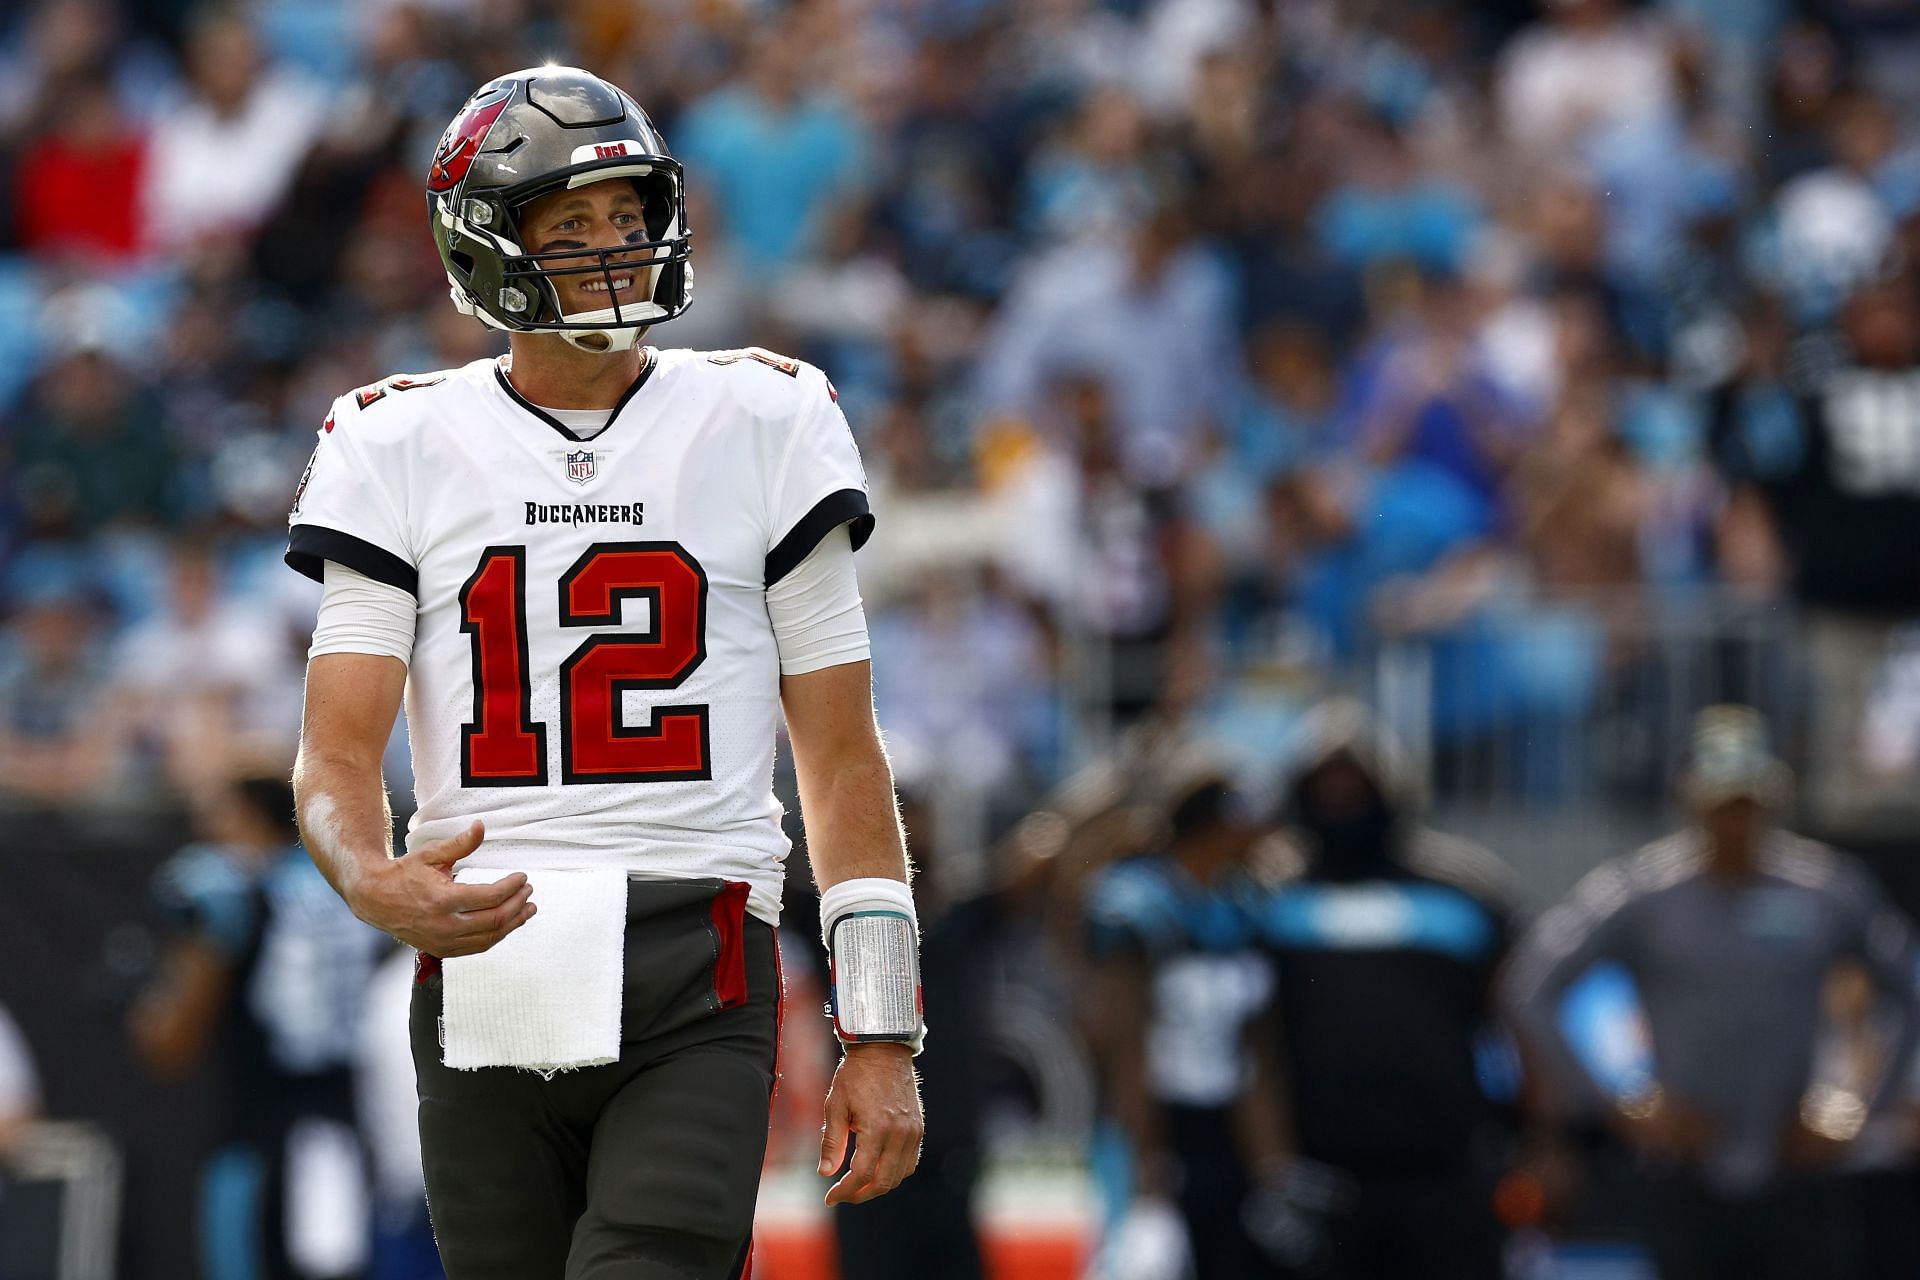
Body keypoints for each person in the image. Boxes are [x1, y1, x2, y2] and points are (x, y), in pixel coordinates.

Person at [285, 67, 924, 1280]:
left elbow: (843, 759)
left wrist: (882, 1027)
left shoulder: (770, 419)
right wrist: (369, 873)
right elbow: (337, 751)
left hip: (702, 944)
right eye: (568, 226)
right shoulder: (393, 440)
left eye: (627, 217)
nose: (613, 250)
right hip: (487, 949)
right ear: (486, 249)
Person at [1503, 705, 1920, 1280]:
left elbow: (1906, 991)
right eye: (1721, 804)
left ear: (1773, 799)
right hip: (1684, 1164)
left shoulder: (1825, 890)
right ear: (1690, 801)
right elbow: (1531, 987)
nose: (1734, 822)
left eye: (1746, 803)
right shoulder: (1645, 893)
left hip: (1793, 1163)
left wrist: (1858, 1112)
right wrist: (1622, 1107)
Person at [1239, 700, 1517, 1280]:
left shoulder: (1465, 891)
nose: (1341, 800)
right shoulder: (1267, 898)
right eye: (1326, 786)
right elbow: (1254, 1043)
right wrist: (1273, 1167)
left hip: (1447, 1175)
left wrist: (1541, 1143)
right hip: (1323, 1180)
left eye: (1356, 785)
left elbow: (1518, 1020)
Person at [129, 772, 385, 1280]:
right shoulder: (348, 885)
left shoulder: (221, 889)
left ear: (247, 813)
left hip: (258, 1136)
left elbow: (168, 1042)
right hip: (343, 1130)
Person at [1081, 752, 1277, 1280]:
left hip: (1223, 1129)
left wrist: (1272, 1167)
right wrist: (1146, 1176)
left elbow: (1256, 1048)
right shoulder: (1139, 904)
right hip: (1151, 1129)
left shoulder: (1240, 900)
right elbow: (1126, 1046)